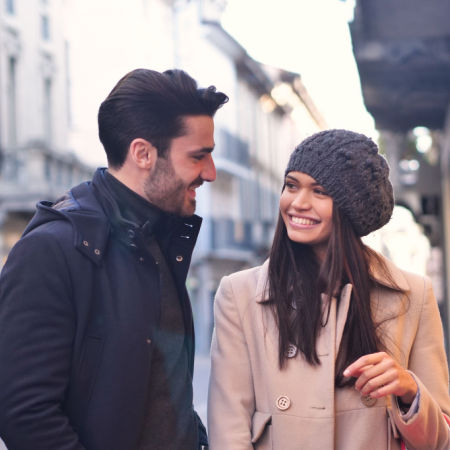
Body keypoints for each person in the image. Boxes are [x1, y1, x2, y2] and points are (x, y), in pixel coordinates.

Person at [0, 68, 228, 450]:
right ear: (143, 153)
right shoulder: (53, 250)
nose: (211, 173)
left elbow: (165, 393)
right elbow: (24, 413)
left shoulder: (160, 239)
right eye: (198, 157)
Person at [207, 129, 450, 450]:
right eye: (291, 185)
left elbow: (441, 441)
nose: (297, 202)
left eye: (319, 191)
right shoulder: (239, 294)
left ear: (351, 209)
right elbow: (228, 431)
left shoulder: (412, 294)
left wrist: (409, 390)